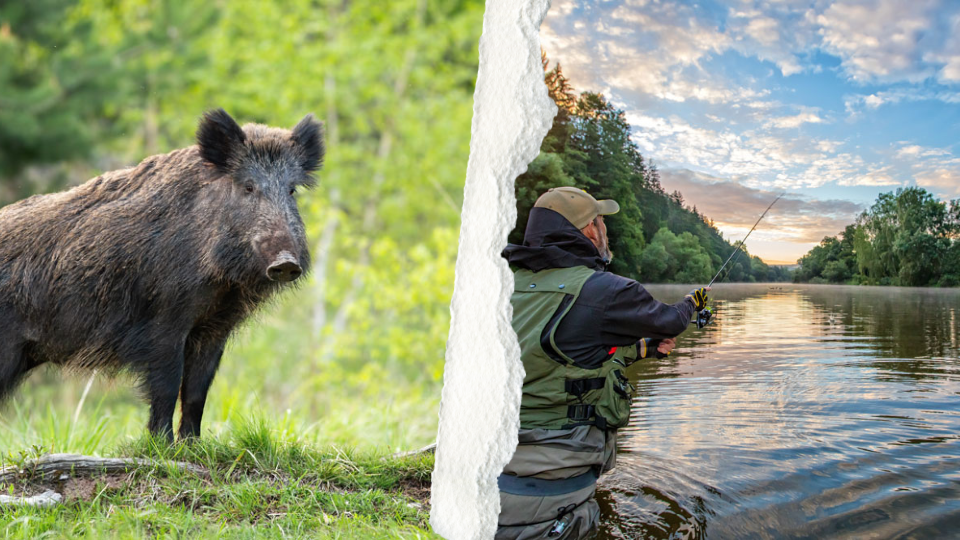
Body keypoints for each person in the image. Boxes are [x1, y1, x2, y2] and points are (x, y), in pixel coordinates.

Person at [496, 186, 710, 539]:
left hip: (490, 463)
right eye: (602, 222)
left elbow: (559, 354)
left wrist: (645, 349)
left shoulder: (501, 284)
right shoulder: (606, 291)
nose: (605, 231)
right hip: (552, 488)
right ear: (590, 230)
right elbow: (672, 321)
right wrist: (692, 300)